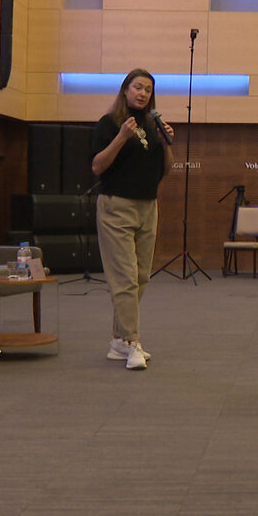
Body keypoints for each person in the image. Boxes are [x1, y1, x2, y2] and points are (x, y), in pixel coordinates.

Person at [91, 69, 175, 371]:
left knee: (140, 277)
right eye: (138, 87)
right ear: (125, 89)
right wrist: (121, 137)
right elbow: (97, 166)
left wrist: (165, 143)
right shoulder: (109, 123)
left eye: (148, 90)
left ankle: (119, 340)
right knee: (125, 278)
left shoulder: (152, 125)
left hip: (148, 206)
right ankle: (133, 341)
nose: (143, 93)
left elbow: (166, 170)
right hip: (117, 206)